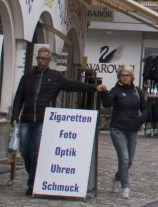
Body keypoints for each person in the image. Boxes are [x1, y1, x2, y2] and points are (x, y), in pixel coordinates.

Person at [9, 45, 105, 196]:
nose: (42, 62)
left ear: (49, 60)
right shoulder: (27, 77)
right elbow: (18, 99)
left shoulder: (55, 77)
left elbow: (73, 85)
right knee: (25, 151)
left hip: (43, 119)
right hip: (27, 118)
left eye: (45, 59)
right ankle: (32, 177)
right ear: (37, 59)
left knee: (36, 151)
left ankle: (33, 182)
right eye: (39, 58)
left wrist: (94, 88)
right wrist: (14, 116)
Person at [99, 66, 143, 199]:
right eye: (123, 75)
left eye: (127, 75)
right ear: (119, 77)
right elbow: (107, 104)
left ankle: (117, 177)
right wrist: (103, 92)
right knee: (124, 158)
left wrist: (140, 120)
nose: (125, 78)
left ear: (131, 77)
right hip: (118, 128)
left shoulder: (137, 91)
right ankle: (126, 187)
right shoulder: (115, 91)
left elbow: (145, 108)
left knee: (129, 161)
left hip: (132, 129)